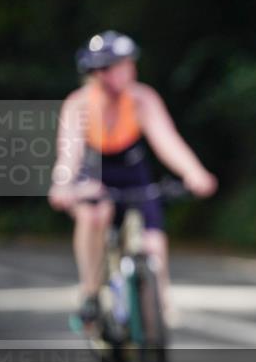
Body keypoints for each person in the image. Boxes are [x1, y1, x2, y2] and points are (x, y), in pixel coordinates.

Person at [48, 31, 217, 328]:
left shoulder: (141, 99)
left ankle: (157, 308)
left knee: (153, 242)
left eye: (129, 64)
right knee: (94, 215)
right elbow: (69, 153)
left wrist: (193, 172)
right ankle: (90, 292)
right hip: (95, 177)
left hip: (133, 176)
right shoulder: (79, 105)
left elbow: (167, 140)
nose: (128, 71)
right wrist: (63, 184)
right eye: (119, 65)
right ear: (98, 72)